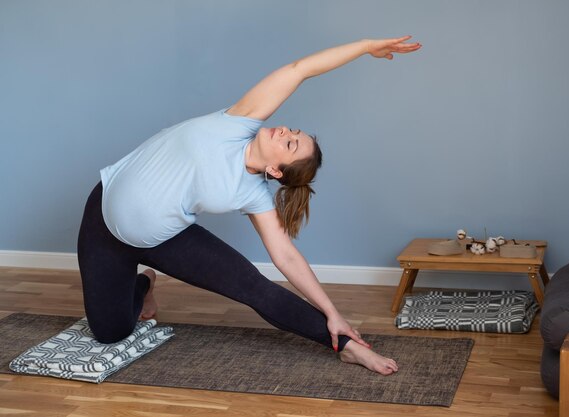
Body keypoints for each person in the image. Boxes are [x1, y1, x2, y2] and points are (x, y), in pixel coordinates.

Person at [77, 36, 421, 376]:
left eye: (289, 144)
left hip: (164, 240)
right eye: (293, 131)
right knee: (111, 333)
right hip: (103, 223)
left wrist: (332, 312)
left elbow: (285, 256)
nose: (284, 130)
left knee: (255, 288)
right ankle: (144, 284)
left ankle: (348, 348)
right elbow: (301, 70)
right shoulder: (238, 121)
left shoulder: (253, 194)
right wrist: (365, 47)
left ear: (275, 170)